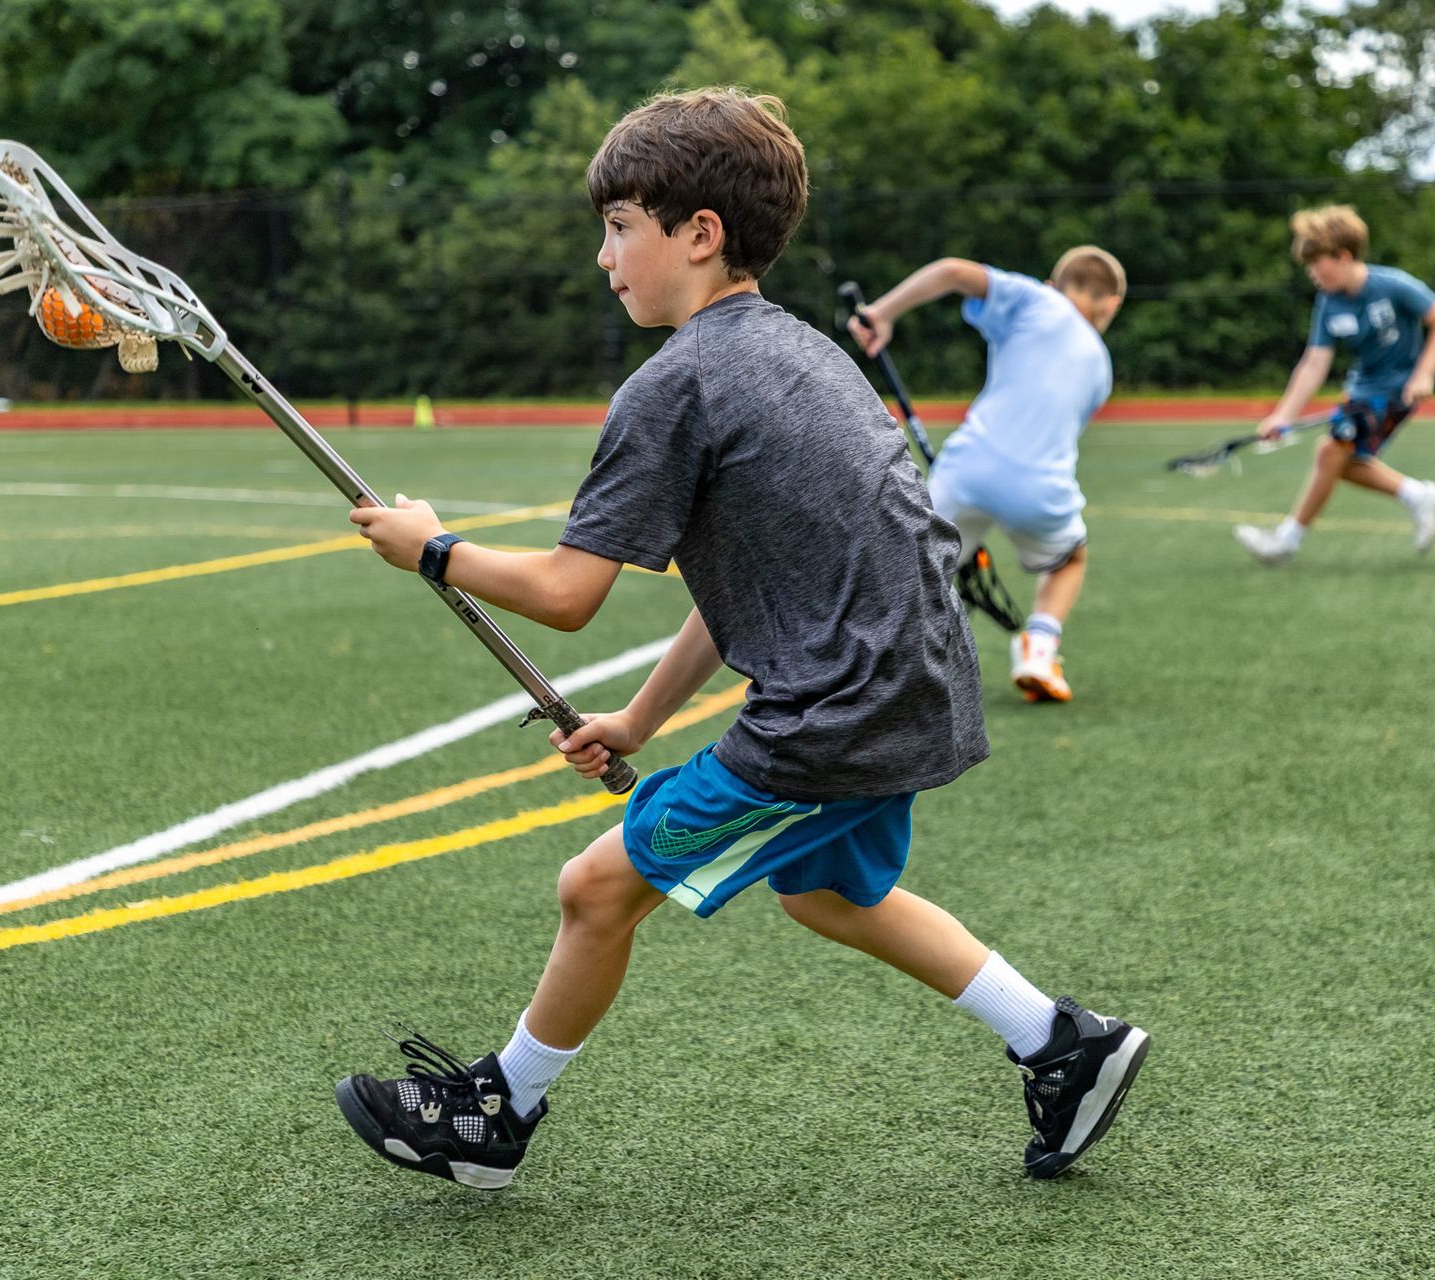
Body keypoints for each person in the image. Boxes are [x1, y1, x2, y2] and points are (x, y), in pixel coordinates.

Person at [332, 88, 1148, 1191]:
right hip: (915, 675)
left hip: (838, 705)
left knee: (595, 887)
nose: (605, 253)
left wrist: (433, 548)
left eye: (622, 224)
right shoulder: (800, 352)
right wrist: (640, 718)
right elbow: (747, 584)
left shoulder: (678, 384)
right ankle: (1063, 1041)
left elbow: (570, 592)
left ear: (700, 234)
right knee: (829, 892)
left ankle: (497, 1108)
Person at [848, 247, 1124, 703]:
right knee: (1070, 558)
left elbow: (953, 272)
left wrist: (881, 313)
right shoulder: (1103, 370)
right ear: (1111, 305)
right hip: (1040, 491)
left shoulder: (1036, 299)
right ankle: (1038, 647)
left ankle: (870, 666)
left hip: (967, 469)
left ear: (1054, 285)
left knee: (911, 576)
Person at [1233, 204, 1435, 565]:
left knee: (1329, 452)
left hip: (1398, 390)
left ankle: (1287, 541)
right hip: (1362, 390)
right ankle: (1419, 495)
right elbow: (1314, 362)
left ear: (1343, 256)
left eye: (1317, 263)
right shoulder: (1328, 303)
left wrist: (1424, 373)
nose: (1312, 273)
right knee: (1342, 461)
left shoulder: (1393, 285)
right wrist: (1282, 416)